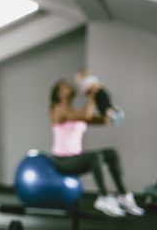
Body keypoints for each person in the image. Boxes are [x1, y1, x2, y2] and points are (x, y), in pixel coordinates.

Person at [48, 80, 143, 217]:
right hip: (62, 161)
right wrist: (92, 96)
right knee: (95, 156)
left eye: (68, 87)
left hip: (75, 158)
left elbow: (103, 121)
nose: (68, 89)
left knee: (111, 153)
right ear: (58, 94)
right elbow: (86, 116)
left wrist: (109, 110)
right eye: (64, 88)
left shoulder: (75, 112)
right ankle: (104, 197)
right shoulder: (58, 110)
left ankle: (124, 195)